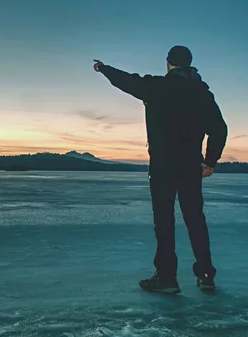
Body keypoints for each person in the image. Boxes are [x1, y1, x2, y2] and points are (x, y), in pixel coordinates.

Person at [93, 45, 227, 294]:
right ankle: (206, 274)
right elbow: (219, 129)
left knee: (164, 222)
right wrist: (210, 162)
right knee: (195, 220)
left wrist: (104, 69)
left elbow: (127, 81)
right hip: (190, 167)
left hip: (163, 167)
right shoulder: (203, 94)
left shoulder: (157, 87)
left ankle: (167, 278)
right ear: (189, 64)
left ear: (168, 63)